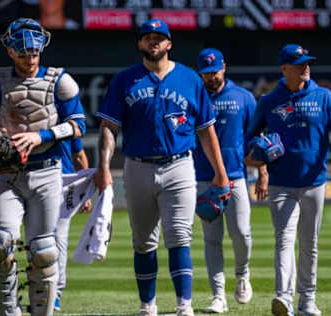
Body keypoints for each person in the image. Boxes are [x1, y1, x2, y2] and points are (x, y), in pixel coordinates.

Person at [94, 19, 230, 316]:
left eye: (159, 37)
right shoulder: (125, 80)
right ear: (140, 43)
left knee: (180, 236)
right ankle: (148, 305)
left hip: (179, 165)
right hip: (137, 166)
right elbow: (108, 128)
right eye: (147, 37)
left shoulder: (190, 79)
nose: (153, 42)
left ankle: (184, 305)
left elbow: (207, 131)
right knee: (143, 241)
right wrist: (103, 166)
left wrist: (220, 173)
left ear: (169, 44)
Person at [0, 18, 86, 316]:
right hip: (7, 174)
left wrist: (42, 135)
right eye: (23, 55)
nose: (30, 60)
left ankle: (43, 311)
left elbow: (79, 125)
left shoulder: (60, 81)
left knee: (44, 250)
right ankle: (7, 310)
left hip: (47, 170)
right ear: (11, 52)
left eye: (34, 54)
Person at [245, 44, 331, 316]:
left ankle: (307, 301)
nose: (306, 67)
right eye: (299, 63)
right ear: (284, 68)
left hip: (314, 182)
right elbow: (249, 140)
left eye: (307, 62)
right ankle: (284, 299)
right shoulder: (269, 101)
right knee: (284, 240)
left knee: (309, 244)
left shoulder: (323, 96)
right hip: (281, 184)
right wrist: (259, 152)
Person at [193, 48, 261, 313]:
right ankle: (218, 296)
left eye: (215, 71)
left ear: (224, 68)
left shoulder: (244, 97)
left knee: (242, 234)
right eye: (206, 73)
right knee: (212, 239)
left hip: (236, 177)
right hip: (202, 178)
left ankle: (242, 274)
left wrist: (263, 172)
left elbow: (255, 138)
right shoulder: (194, 98)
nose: (211, 76)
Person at [54, 138, 91, 311]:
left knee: (59, 238)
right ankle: (39, 288)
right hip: (33, 181)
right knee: (36, 238)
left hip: (64, 183)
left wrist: (85, 192)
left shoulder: (66, 120)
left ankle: (55, 292)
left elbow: (79, 155)